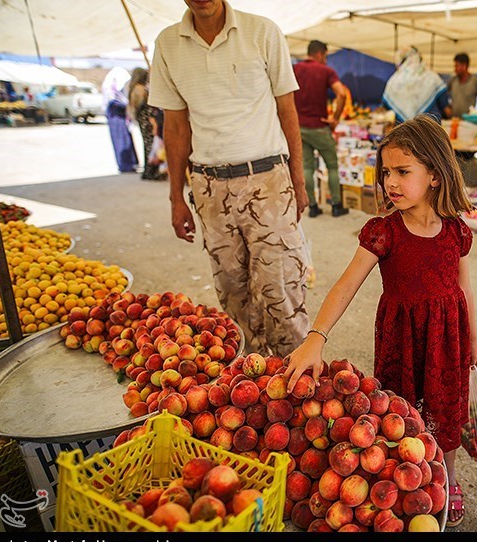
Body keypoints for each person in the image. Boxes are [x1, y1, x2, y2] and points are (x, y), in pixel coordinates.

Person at [283, 114, 477, 528]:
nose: (390, 182)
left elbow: (464, 289)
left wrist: (472, 338)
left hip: (449, 340)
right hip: (403, 339)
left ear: (436, 175)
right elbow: (345, 285)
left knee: (445, 413)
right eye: (386, 172)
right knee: (401, 417)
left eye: (403, 172)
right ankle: (404, 484)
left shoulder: (456, 232)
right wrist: (315, 337)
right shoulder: (383, 232)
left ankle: (448, 480)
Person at [148, 0, 310, 357]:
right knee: (232, 293)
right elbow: (175, 126)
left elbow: (287, 110)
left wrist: (298, 182)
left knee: (279, 289)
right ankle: (254, 375)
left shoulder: (262, 31)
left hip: (267, 179)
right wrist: (176, 197)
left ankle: (298, 380)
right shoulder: (168, 43)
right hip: (208, 187)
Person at [293, 39, 349, 218]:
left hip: (299, 127)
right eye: (325, 56)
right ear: (319, 54)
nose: (326, 60)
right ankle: (336, 206)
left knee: (307, 168)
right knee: (332, 166)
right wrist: (335, 119)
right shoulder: (326, 71)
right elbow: (341, 93)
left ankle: (314, 207)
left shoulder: (294, 70)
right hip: (319, 126)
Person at [382, 47, 449, 124]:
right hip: (431, 130)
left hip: (404, 131)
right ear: (418, 58)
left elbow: (385, 107)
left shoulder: (394, 81)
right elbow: (445, 107)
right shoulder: (432, 78)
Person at [101, 66, 138, 173]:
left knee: (127, 139)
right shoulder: (112, 96)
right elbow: (114, 102)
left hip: (121, 116)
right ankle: (125, 165)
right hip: (115, 116)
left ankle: (131, 163)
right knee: (120, 141)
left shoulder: (119, 94)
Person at [127, 67, 162, 181]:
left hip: (143, 120)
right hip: (147, 120)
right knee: (150, 145)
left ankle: (149, 170)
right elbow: (146, 106)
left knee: (148, 145)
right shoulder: (140, 89)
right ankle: (151, 171)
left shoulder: (134, 89)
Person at [447, 52, 477, 119]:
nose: (455, 69)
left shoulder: (475, 81)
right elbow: (443, 94)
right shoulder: (453, 81)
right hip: (454, 120)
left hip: (468, 122)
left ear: (464, 65)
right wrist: (447, 107)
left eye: (457, 66)